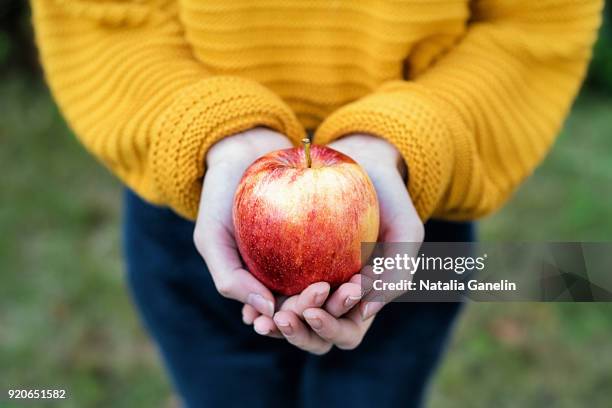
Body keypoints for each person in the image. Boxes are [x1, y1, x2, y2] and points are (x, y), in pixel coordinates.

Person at [31, 0, 602, 406]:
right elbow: (95, 16)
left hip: (404, 212)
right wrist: (215, 131)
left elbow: (535, 27)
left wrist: (401, 140)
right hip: (203, 201)